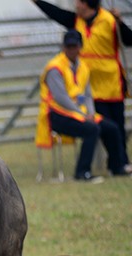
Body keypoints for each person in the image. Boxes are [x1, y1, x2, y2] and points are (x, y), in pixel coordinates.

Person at [32, 0, 132, 170]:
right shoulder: (75, 21)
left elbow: (128, 40)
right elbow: (55, 12)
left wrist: (120, 22)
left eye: (78, 2)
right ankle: (117, 164)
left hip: (111, 83)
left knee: (117, 125)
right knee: (102, 126)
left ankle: (121, 162)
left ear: (87, 4)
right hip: (89, 85)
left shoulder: (109, 19)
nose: (75, 5)